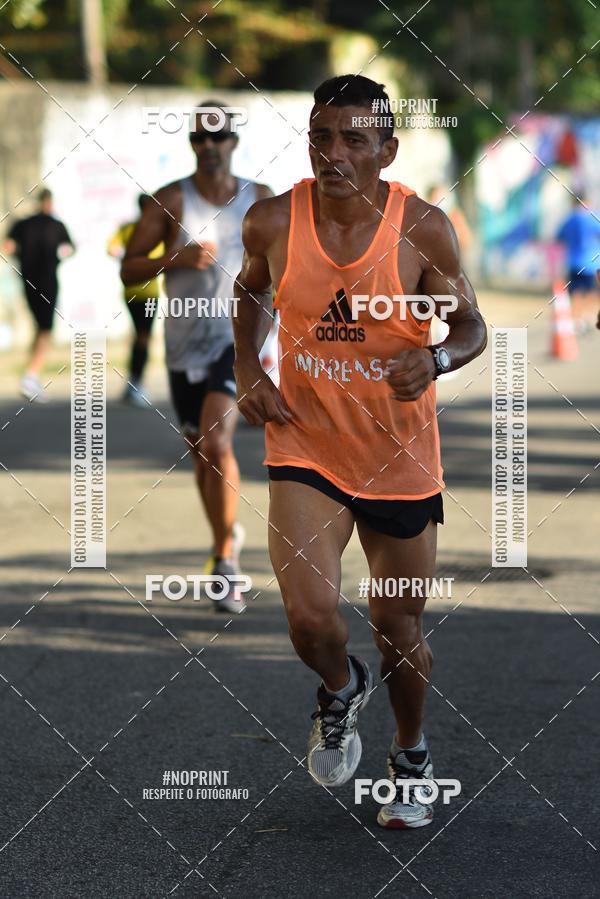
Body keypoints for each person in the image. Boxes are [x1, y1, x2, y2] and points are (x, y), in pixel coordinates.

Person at [233, 75, 487, 828]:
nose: (333, 153)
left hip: (398, 457)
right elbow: (248, 293)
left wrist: (435, 359)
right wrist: (248, 368)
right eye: (321, 137)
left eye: (353, 139)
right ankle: (341, 687)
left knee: (398, 629)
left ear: (387, 149)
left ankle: (411, 755)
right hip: (305, 443)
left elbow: (470, 326)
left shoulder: (423, 228)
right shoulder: (272, 220)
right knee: (310, 618)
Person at [121, 101, 272, 612]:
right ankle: (223, 537)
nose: (208, 146)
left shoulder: (260, 199)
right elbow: (128, 268)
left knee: (217, 439)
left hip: (238, 341)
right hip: (184, 345)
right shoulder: (170, 200)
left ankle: (226, 562)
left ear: (233, 141)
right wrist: (174, 257)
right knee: (202, 453)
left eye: (217, 136)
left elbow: (287, 262)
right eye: (198, 139)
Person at [4, 188, 74, 402]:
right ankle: (31, 375)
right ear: (50, 202)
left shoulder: (22, 224)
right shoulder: (56, 225)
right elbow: (69, 249)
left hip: (28, 282)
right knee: (45, 330)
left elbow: (7, 247)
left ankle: (31, 375)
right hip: (47, 282)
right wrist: (57, 258)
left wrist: (21, 256)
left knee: (39, 327)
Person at [107, 194, 163, 406]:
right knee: (144, 337)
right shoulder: (155, 230)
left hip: (131, 290)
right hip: (147, 293)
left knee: (140, 335)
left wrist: (125, 256)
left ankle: (133, 382)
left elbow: (112, 249)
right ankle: (136, 384)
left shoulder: (128, 228)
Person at [556, 196, 600, 334]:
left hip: (574, 262)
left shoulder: (570, 219)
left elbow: (559, 237)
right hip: (592, 263)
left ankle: (577, 320)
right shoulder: (593, 217)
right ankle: (589, 317)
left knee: (576, 292)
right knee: (593, 291)